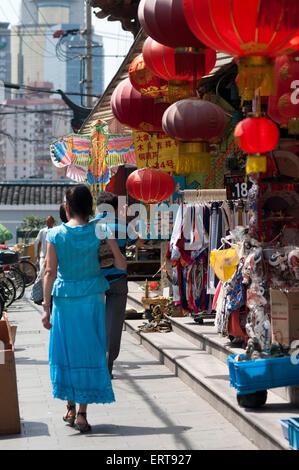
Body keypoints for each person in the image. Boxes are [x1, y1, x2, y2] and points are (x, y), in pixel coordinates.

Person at [41, 184, 126, 433]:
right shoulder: (100, 229)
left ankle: (68, 406)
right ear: (90, 207)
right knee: (89, 352)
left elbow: (49, 271)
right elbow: (120, 264)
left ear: (67, 208)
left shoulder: (55, 235)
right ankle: (81, 414)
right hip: (92, 300)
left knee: (66, 352)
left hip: (64, 301)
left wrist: (46, 307)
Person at [94, 191, 142, 379]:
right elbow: (140, 241)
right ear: (114, 208)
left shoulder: (90, 226)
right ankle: (109, 362)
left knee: (96, 321)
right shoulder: (123, 225)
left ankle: (96, 361)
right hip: (118, 280)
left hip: (95, 281)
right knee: (114, 324)